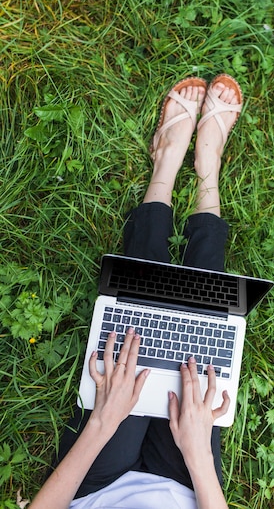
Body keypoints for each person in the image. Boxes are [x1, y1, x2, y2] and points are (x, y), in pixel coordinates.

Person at [29, 73, 243, 509]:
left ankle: (165, 169)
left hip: (93, 489)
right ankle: (207, 175)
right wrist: (200, 454)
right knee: (203, 326)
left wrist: (102, 422)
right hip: (188, 486)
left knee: (135, 324)